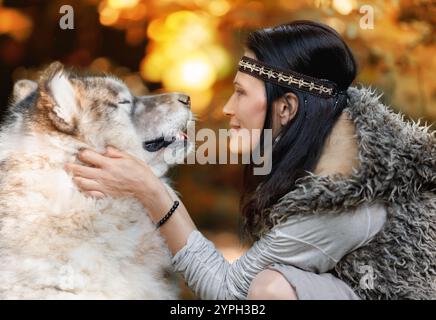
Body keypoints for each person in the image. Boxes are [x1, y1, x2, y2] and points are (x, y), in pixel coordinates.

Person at [64, 21, 435, 300]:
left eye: (240, 93)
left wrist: (151, 191)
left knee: (271, 289)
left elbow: (231, 294)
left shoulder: (343, 199)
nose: (227, 108)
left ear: (287, 107)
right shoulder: (335, 142)